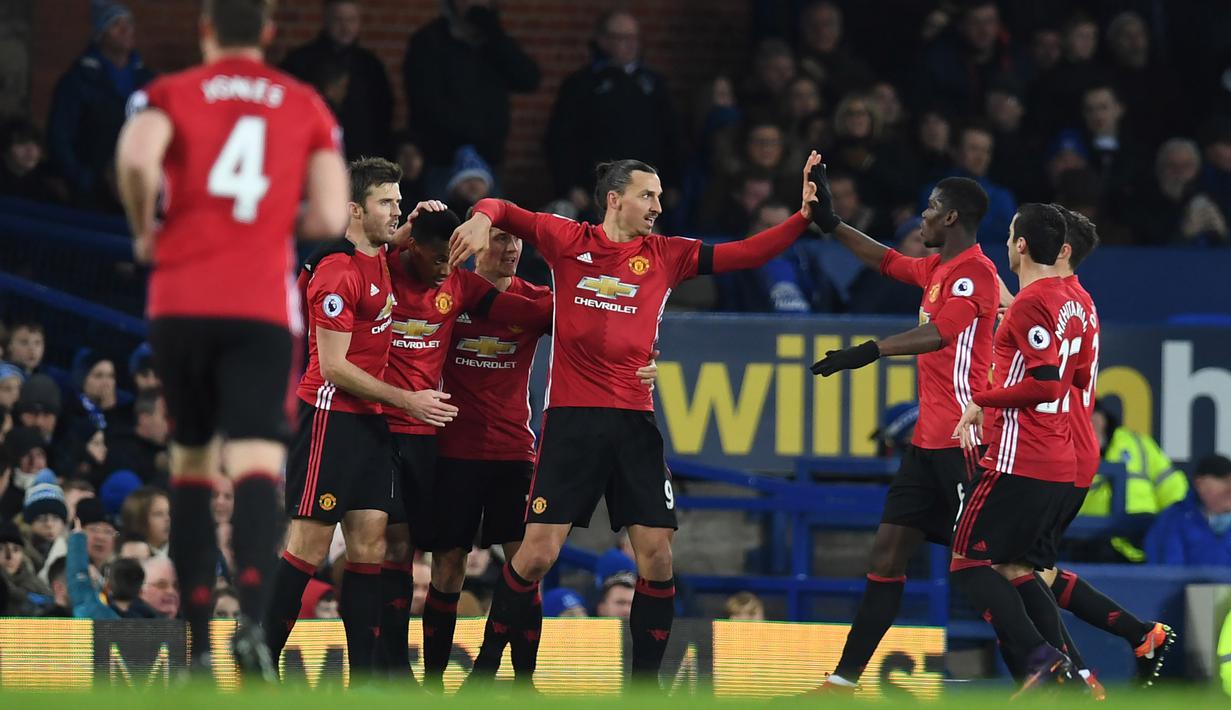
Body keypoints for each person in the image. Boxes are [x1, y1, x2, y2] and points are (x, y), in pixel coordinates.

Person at [450, 151, 825, 688]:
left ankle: (644, 689)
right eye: (647, 195)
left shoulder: (667, 254)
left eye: (660, 196)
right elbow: (502, 207)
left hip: (634, 423)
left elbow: (745, 253)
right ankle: (485, 674)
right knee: (534, 556)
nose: (658, 206)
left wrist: (803, 217)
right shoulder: (567, 239)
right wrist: (482, 218)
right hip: (573, 421)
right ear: (615, 199)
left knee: (658, 558)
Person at [114, 0, 349, 678]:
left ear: (205, 28)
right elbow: (329, 212)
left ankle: (193, 645)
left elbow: (137, 159)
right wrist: (269, 221)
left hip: (181, 299)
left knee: (190, 461)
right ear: (269, 33)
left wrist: (145, 228)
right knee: (254, 465)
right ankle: (250, 626)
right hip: (259, 308)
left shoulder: (169, 92)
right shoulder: (305, 104)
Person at [808, 172, 997, 693]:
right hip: (925, 448)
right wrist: (832, 223)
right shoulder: (937, 268)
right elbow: (885, 260)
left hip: (964, 443)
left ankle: (1059, 664)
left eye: (931, 207)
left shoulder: (974, 274)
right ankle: (843, 684)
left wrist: (869, 351)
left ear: (951, 217)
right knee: (887, 555)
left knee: (994, 567)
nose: (922, 217)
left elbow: (941, 332)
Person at [262, 157, 446, 686]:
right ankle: (258, 660)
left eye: (398, 201)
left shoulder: (376, 256)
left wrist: (415, 221)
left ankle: (363, 681)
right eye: (385, 202)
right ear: (354, 210)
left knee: (369, 544)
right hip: (329, 419)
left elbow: (392, 239)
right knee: (309, 546)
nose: (396, 211)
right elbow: (335, 368)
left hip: (369, 423)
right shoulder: (337, 272)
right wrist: (409, 401)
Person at [376, 204, 550, 682]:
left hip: (514, 452)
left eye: (516, 240)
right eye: (500, 238)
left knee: (526, 566)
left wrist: (642, 354)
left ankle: (522, 682)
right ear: (470, 243)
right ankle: (433, 685)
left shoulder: (538, 302)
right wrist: (403, 231)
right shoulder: (450, 290)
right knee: (448, 565)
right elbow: (384, 266)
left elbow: (589, 331)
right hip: (451, 451)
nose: (511, 248)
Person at [1031, 207, 1173, 690]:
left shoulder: (1052, 302)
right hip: (1070, 447)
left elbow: (1042, 381)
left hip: (1058, 449)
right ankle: (1134, 638)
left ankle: (1076, 671)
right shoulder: (1077, 301)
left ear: (1061, 250)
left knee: (1015, 568)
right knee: (1031, 568)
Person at [949, 203, 1087, 692]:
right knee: (1015, 568)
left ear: (1021, 245)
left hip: (1019, 455)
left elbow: (1048, 383)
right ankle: (1074, 675)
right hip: (1059, 456)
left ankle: (1042, 657)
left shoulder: (1033, 303)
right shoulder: (1076, 300)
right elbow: (1076, 377)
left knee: (967, 563)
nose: (1007, 243)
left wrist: (982, 400)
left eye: (1010, 236)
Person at [544, 10, 680, 209]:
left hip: (646, 191)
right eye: (622, 38)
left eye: (634, 37)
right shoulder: (582, 83)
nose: (631, 44)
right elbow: (561, 138)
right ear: (603, 41)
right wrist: (569, 185)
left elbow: (672, 136)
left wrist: (674, 184)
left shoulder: (654, 84)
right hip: (595, 191)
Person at [402, 0, 540, 190]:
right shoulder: (430, 41)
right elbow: (425, 102)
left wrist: (494, 33)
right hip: (443, 159)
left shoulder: (495, 42)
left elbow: (528, 79)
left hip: (488, 160)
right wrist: (467, 134)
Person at [47, 0, 155, 209]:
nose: (126, 30)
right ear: (100, 34)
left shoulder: (148, 80)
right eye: (116, 24)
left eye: (129, 23)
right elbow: (59, 137)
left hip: (138, 192)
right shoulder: (78, 80)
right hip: (93, 196)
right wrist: (86, 180)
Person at [281, 0, 393, 161]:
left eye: (351, 20)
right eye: (338, 20)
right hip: (311, 155)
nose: (345, 27)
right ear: (326, 19)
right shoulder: (300, 62)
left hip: (361, 159)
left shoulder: (371, 66)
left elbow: (383, 116)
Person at [1146, 454, 1231, 566]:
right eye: (1224, 480)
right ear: (1199, 483)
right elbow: (1167, 568)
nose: (1229, 488)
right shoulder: (1174, 520)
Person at [119, 486, 170, 557]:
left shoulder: (182, 551)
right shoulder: (125, 556)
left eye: (169, 512)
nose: (168, 519)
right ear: (138, 519)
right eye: (158, 514)